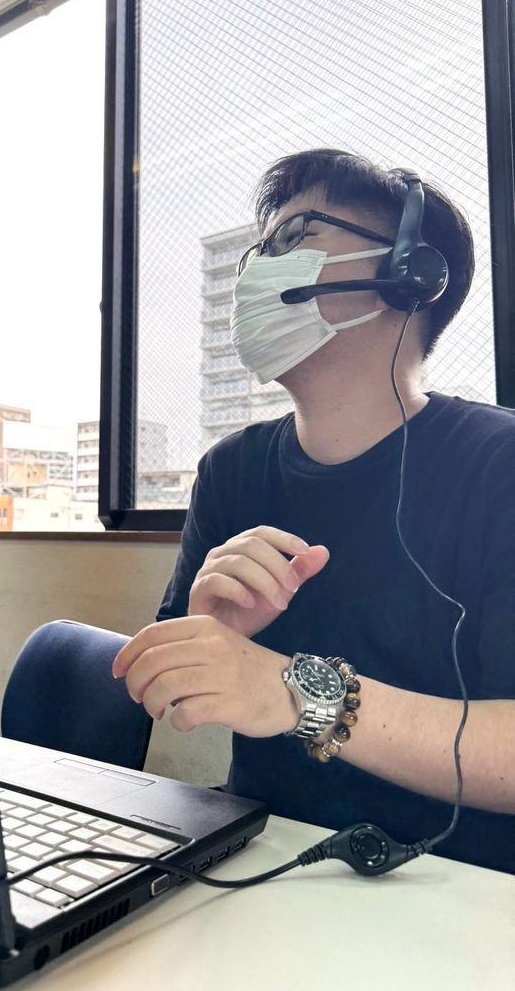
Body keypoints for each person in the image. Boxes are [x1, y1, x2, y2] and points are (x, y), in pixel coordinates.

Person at [112, 149, 515, 873]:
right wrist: (208, 639)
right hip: (264, 859)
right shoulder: (230, 470)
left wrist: (299, 693)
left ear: (407, 276)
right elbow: (161, 690)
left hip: (458, 890)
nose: (258, 272)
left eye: (297, 237)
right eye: (261, 250)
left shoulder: (499, 465)